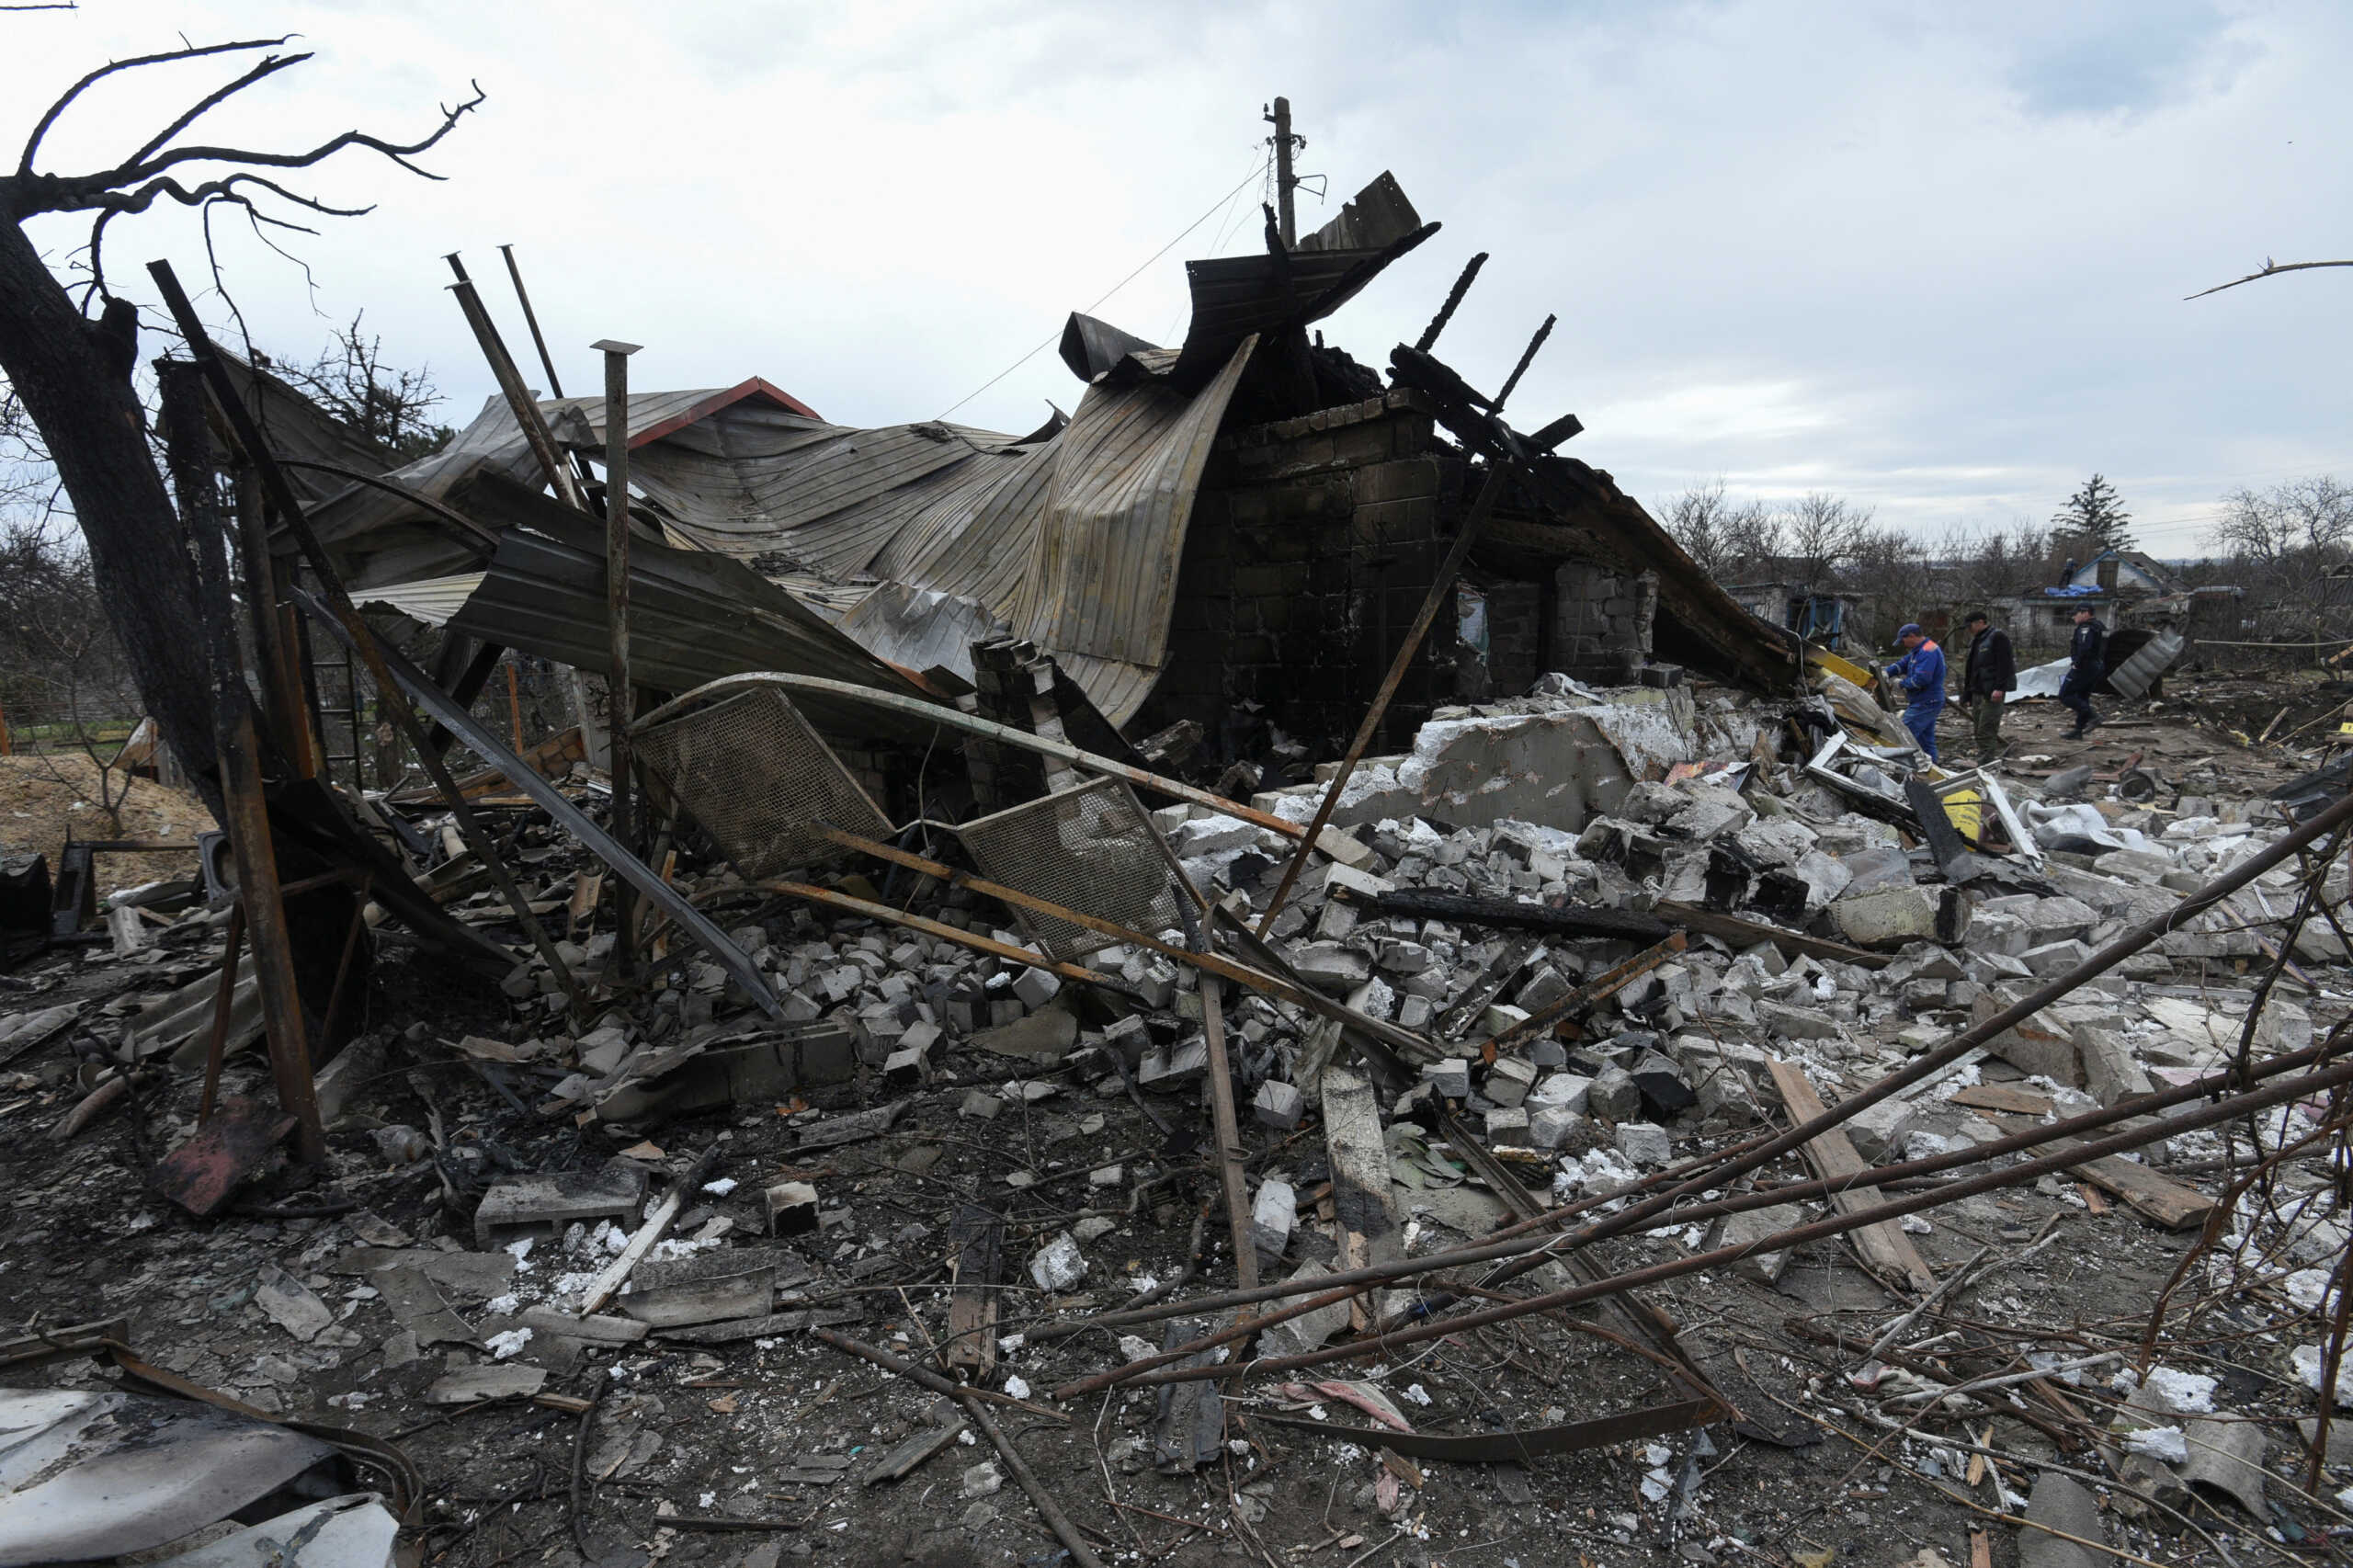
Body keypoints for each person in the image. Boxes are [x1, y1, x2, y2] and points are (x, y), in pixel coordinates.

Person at [1883, 622, 1948, 763]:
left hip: (1926, 701)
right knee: (1925, 740)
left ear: (1912, 636)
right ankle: (1933, 768)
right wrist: (1886, 672)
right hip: (1926, 701)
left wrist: (1900, 683)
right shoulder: (1920, 650)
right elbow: (1903, 664)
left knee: (1903, 734)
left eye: (1904, 640)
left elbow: (1922, 679)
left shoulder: (1928, 651)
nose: (1903, 644)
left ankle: (1901, 767)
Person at [1960, 609, 2016, 760]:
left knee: (1986, 729)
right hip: (1978, 691)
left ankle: (1986, 763)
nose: (1968, 629)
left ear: (1980, 622)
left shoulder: (1998, 637)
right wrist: (1967, 693)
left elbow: (2006, 665)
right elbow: (1972, 669)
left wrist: (2000, 688)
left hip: (1991, 692)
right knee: (1978, 729)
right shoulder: (1977, 640)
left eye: (1970, 625)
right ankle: (1984, 759)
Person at [2061, 604, 2107, 738]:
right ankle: (2078, 731)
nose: (2073, 616)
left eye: (2076, 614)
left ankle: (2094, 717)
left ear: (2085, 613)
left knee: (2065, 695)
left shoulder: (2086, 627)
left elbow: (2085, 648)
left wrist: (2077, 664)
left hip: (2085, 666)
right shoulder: (2099, 626)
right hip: (2096, 666)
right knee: (2082, 697)